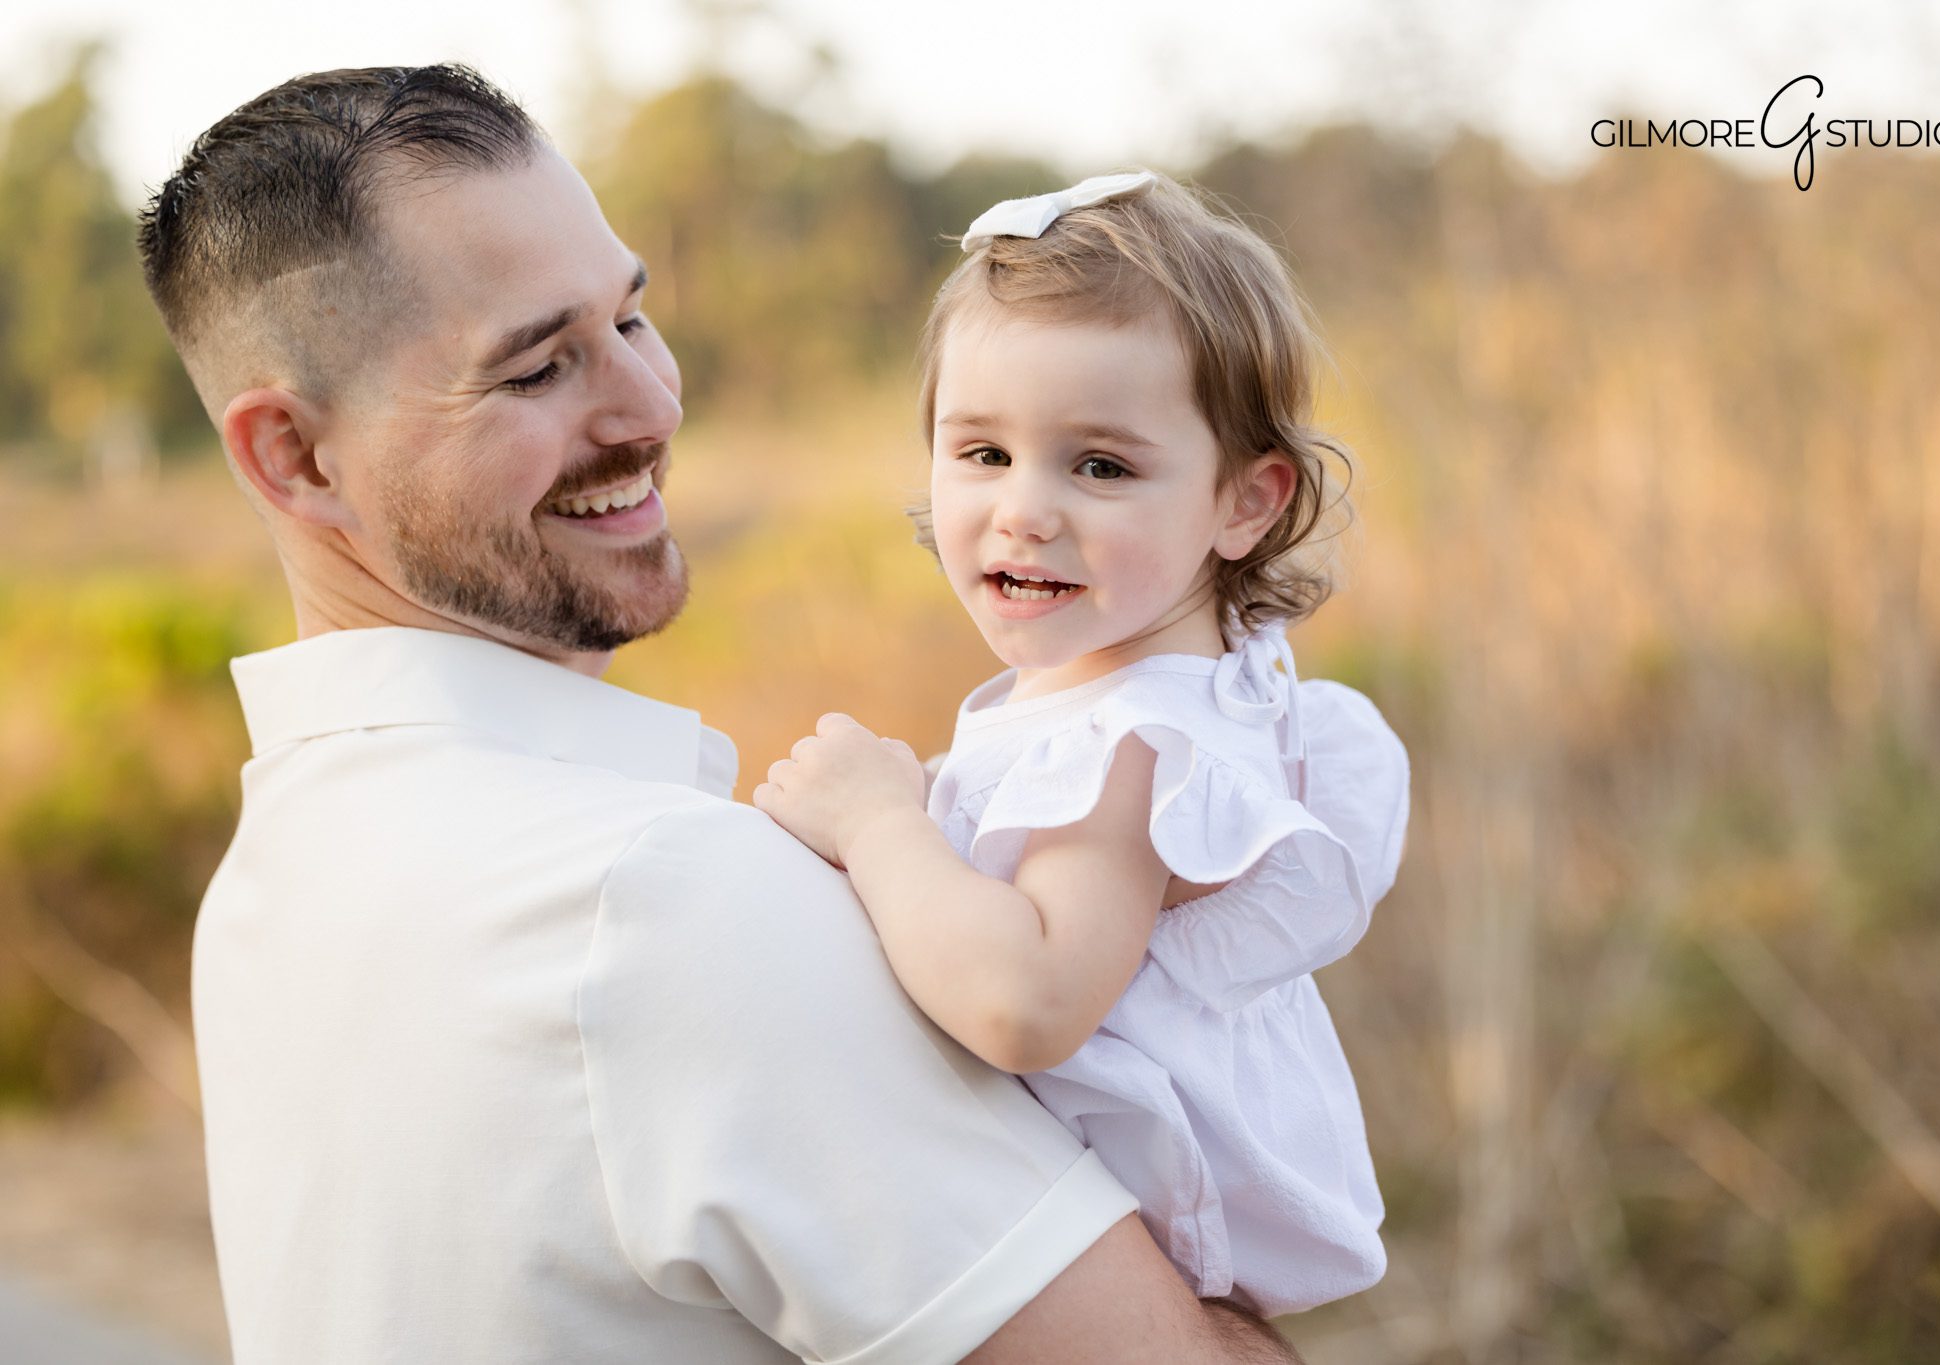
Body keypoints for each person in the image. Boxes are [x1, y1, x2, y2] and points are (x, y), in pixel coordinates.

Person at [138, 66, 1309, 1363]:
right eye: (536, 369)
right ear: (296, 456)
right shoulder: (660, 900)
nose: (653, 408)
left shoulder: (266, 883)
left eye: (630, 319)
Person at [754, 172, 1411, 1317]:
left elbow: (1028, 1002)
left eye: (1099, 466)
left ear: (1244, 503)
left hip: (1102, 1278)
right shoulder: (1133, 691)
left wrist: (877, 823)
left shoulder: (1133, 748)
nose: (1023, 510)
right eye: (981, 454)